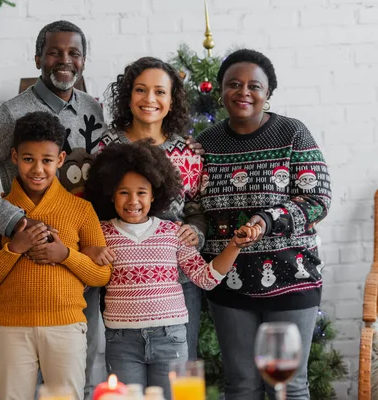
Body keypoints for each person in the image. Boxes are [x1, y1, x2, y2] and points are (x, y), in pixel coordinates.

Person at [0, 21, 106, 398]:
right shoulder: (12, 114)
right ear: (38, 58)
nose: (64, 60)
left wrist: (100, 238)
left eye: (73, 53)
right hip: (29, 261)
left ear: (84, 60)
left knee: (81, 369)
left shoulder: (95, 109)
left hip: (79, 253)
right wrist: (14, 221)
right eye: (54, 52)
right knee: (23, 381)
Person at [196, 49, 332, 399]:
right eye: (233, 84)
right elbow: (193, 206)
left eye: (254, 85)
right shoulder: (205, 144)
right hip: (229, 283)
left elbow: (317, 199)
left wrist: (267, 220)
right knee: (241, 384)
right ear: (221, 91)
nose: (244, 92)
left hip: (292, 277)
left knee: (288, 384)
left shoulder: (292, 133)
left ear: (268, 92)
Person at [83, 141, 258, 398]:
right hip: (121, 341)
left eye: (141, 192)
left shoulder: (172, 232)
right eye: (124, 193)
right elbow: (81, 266)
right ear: (111, 194)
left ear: (154, 194)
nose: (133, 201)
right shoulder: (100, 232)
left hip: (171, 338)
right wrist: (90, 251)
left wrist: (234, 246)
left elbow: (205, 278)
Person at [0, 111, 112, 400]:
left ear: (60, 160)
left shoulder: (81, 210)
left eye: (47, 160)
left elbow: (101, 274)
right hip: (11, 329)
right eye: (28, 159)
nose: (37, 169)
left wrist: (65, 255)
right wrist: (15, 248)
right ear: (13, 156)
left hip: (66, 327)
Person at [97, 56, 206, 360]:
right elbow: (93, 208)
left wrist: (195, 231)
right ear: (128, 97)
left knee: (179, 376)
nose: (150, 99)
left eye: (160, 91)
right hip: (123, 284)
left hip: (179, 284)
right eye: (140, 90)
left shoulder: (188, 152)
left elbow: (197, 207)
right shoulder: (106, 148)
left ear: (172, 101)